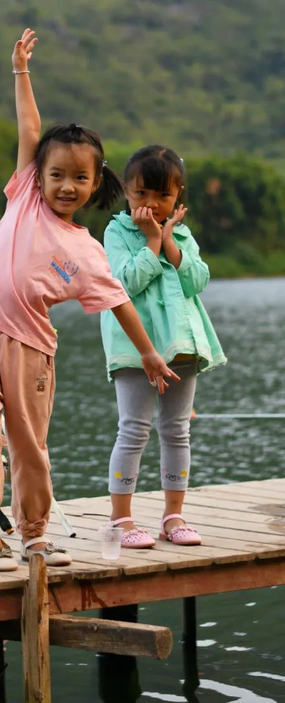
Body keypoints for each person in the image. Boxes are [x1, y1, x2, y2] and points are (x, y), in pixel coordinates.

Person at [0, 29, 178, 571]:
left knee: (29, 445)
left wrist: (148, 352)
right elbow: (30, 127)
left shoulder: (85, 249)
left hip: (31, 349)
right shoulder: (25, 194)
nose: (66, 186)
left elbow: (119, 301)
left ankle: (33, 532)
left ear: (95, 180)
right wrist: (21, 70)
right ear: (38, 175)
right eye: (56, 174)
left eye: (80, 178)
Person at [101, 145, 226, 548]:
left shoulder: (183, 234)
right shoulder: (116, 232)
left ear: (178, 195)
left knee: (176, 431)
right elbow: (125, 284)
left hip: (182, 346)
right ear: (126, 190)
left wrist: (170, 242)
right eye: (141, 195)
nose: (151, 205)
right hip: (134, 349)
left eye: (162, 196)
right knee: (133, 430)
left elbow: (197, 282)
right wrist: (152, 241)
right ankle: (121, 520)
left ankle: (174, 515)